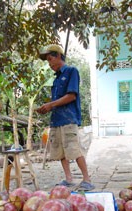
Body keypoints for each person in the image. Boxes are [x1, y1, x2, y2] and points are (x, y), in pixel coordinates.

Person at [36, 44, 95, 191]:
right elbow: (56, 102)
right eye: (47, 61)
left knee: (74, 149)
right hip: (57, 120)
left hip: (69, 119)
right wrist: (47, 108)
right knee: (61, 151)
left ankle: (87, 179)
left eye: (50, 59)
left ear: (58, 56)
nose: (49, 64)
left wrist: (51, 105)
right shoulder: (56, 79)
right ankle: (69, 179)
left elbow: (71, 96)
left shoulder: (71, 71)